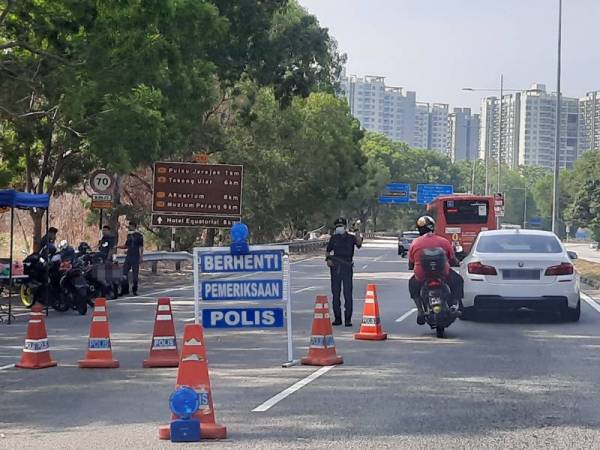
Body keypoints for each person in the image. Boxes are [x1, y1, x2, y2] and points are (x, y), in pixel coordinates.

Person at [408, 215, 464, 325]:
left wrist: (412, 266)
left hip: (422, 275)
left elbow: (411, 261)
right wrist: (456, 262)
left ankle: (420, 310)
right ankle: (455, 304)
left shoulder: (415, 243)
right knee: (458, 280)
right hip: (443, 274)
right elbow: (452, 259)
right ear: (432, 227)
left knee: (412, 284)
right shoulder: (443, 241)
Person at [326, 217, 363, 327]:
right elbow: (328, 252)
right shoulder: (334, 238)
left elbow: (359, 244)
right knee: (336, 294)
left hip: (347, 267)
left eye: (340, 226)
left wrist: (357, 230)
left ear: (345, 227)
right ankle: (337, 318)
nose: (339, 228)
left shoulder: (351, 238)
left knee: (347, 293)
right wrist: (328, 260)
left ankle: (348, 319)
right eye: (337, 226)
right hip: (336, 268)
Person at [118, 221, 144, 296]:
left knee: (135, 275)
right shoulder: (129, 235)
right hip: (129, 256)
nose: (129, 227)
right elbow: (126, 246)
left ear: (134, 226)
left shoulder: (139, 235)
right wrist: (118, 247)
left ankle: (134, 290)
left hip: (135, 257)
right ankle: (124, 290)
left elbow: (141, 247)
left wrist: (141, 257)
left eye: (130, 226)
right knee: (124, 273)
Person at [98, 225, 117, 297]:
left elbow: (111, 249)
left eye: (105, 230)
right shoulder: (103, 238)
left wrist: (108, 259)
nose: (103, 232)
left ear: (108, 231)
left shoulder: (111, 238)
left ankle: (110, 292)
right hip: (101, 258)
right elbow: (101, 247)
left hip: (107, 259)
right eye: (103, 230)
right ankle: (103, 292)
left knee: (107, 277)